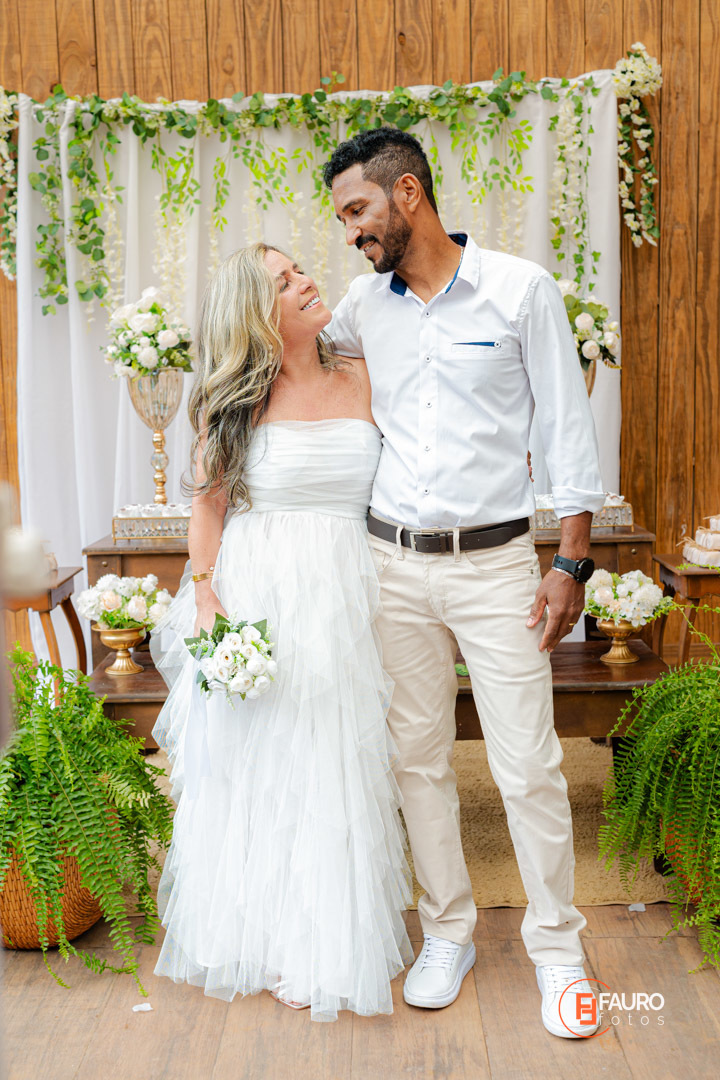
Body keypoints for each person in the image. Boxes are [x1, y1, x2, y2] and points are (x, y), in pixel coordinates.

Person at [323, 127, 605, 1039]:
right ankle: (446, 930)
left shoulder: (521, 290)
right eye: (344, 220)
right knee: (417, 759)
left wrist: (570, 560)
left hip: (496, 567)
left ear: (408, 193)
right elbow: (291, 354)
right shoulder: (361, 307)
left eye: (359, 211)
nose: (352, 235)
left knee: (528, 764)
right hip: (391, 566)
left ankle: (557, 946)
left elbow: (565, 428)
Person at [149, 242, 413, 1022]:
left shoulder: (363, 373)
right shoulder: (233, 403)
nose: (306, 280)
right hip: (259, 590)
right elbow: (207, 507)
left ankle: (323, 942)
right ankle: (259, 937)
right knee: (261, 766)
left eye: (301, 269)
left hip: (349, 586)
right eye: (284, 280)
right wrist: (206, 600)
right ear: (255, 314)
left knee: (334, 760)